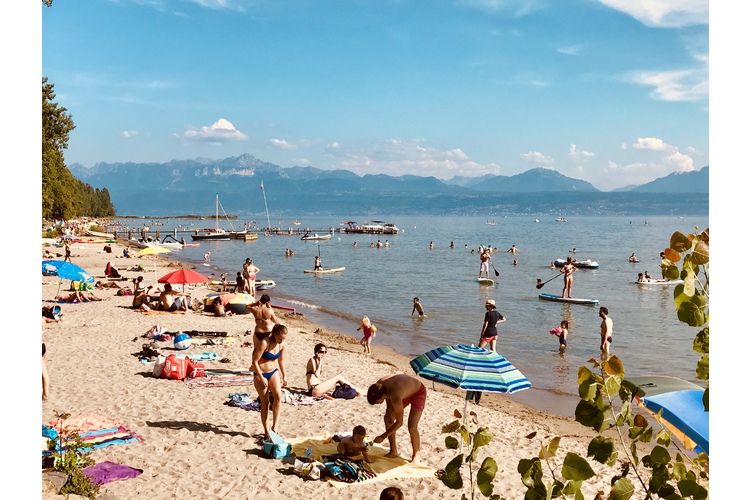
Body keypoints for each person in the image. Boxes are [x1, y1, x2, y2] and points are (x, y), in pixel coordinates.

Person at [367, 374, 426, 463]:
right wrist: (388, 410)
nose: (378, 404)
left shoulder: (395, 396)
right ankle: (393, 451)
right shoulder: (380, 384)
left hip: (418, 392)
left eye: (377, 402)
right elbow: (387, 396)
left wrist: (383, 436)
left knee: (412, 426)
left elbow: (399, 422)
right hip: (404, 391)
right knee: (388, 418)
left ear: (382, 396)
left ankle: (416, 455)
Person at [251, 324, 288, 439]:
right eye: (279, 338)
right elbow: (255, 362)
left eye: (283, 339)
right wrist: (261, 377)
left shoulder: (282, 345)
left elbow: (281, 361)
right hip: (260, 373)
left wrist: (284, 375)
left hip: (273, 371)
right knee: (265, 403)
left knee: (278, 396)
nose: (281, 341)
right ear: (274, 334)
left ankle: (275, 427)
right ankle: (266, 431)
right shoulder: (264, 343)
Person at [42, 318, 50, 401]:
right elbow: (49, 320)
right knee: (44, 372)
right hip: (42, 345)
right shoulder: (43, 319)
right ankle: (45, 394)